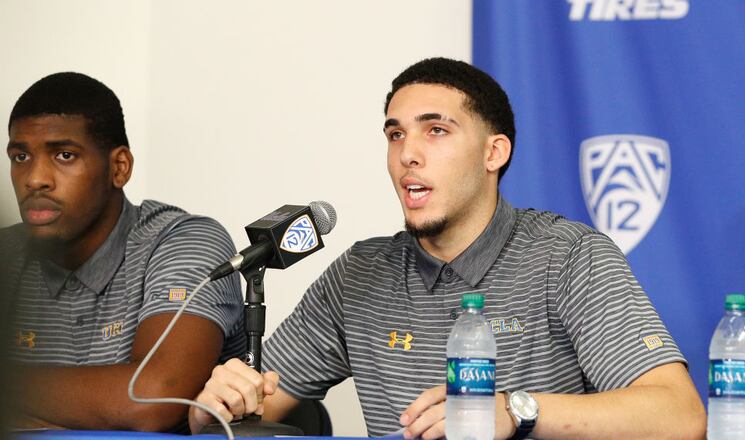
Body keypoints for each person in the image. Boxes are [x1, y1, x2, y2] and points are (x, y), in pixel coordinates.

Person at [189, 58, 706, 439]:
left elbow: (679, 417)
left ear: (493, 152)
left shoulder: (569, 256)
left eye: (435, 131)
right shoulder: (360, 274)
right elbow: (258, 409)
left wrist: (515, 411)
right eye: (395, 135)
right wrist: (216, 406)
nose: (407, 154)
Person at [1, 72, 245, 432]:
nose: (35, 178)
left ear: (119, 167)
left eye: (64, 155)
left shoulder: (184, 241)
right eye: (20, 156)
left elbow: (152, 400)